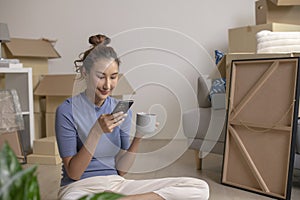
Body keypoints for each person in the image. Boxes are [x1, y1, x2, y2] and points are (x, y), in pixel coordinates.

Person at [55, 34, 209, 200]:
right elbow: (74, 173)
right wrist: (96, 132)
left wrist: (139, 136)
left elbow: (121, 170)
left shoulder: (120, 109)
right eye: (101, 77)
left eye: (113, 77)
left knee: (199, 188)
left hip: (116, 184)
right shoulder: (67, 110)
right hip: (80, 188)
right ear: (85, 73)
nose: (108, 85)